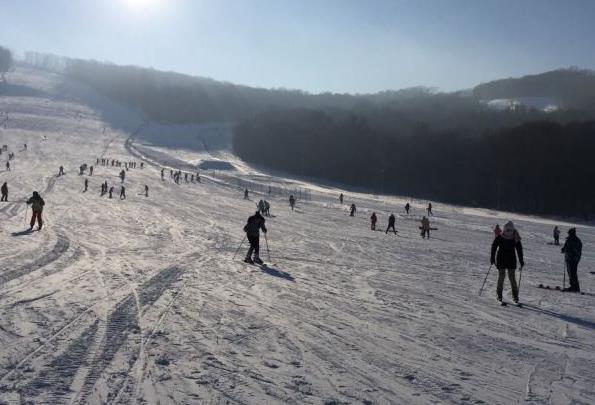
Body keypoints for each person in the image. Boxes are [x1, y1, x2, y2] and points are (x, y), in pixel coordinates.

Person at [490, 221, 524, 303]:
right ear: (504, 229)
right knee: (502, 276)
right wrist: (492, 258)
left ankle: (515, 295)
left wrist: (521, 260)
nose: (509, 232)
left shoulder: (515, 238)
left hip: (511, 259)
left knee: (512, 277)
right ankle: (499, 293)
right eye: (507, 230)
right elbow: (494, 247)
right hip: (501, 258)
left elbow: (519, 250)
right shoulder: (500, 237)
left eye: (510, 230)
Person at [561, 228, 582, 292]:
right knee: (572, 273)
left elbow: (572, 250)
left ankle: (574, 287)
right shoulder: (573, 239)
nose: (569, 234)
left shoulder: (573, 240)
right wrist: (564, 249)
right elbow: (567, 247)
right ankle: (575, 287)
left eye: (569, 233)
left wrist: (565, 250)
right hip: (572, 258)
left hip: (572, 259)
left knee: (572, 273)